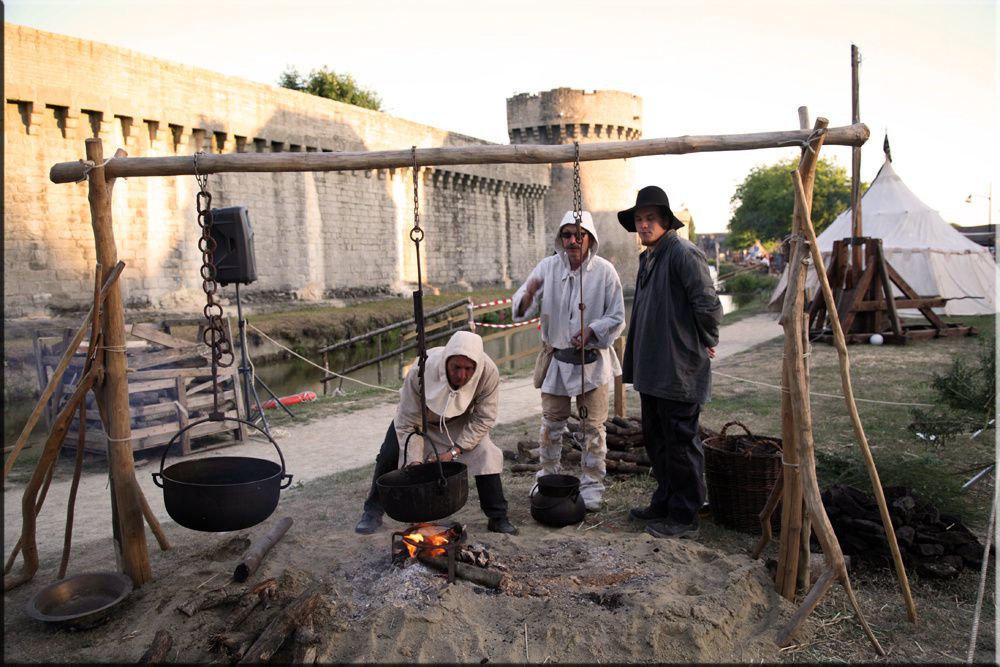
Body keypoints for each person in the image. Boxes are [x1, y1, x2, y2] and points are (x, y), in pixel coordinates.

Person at [617, 186, 723, 539]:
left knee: (680, 442)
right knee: (658, 441)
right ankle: (664, 501)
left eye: (650, 219)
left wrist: (708, 340)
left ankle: (684, 514)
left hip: (678, 369)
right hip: (654, 368)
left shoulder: (682, 252)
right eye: (639, 219)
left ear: (664, 221)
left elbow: (706, 304)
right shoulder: (649, 256)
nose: (644, 225)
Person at [511, 211, 626, 511]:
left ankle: (592, 485)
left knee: (592, 428)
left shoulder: (604, 272)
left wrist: (593, 330)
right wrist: (527, 297)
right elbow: (523, 299)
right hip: (558, 361)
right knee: (551, 424)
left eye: (579, 235)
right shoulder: (548, 267)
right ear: (560, 238)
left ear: (589, 238)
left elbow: (617, 318)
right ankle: (547, 476)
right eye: (567, 235)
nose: (573, 241)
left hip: (593, 362)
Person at [354, 330, 518, 535]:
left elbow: (484, 418)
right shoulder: (421, 369)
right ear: (446, 362)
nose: (461, 375)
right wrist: (414, 462)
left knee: (486, 453)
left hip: (460, 423)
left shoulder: (488, 372)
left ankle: (498, 516)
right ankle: (372, 512)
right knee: (389, 454)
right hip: (418, 422)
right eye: (456, 367)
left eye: (468, 369)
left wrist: (454, 452)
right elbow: (408, 420)